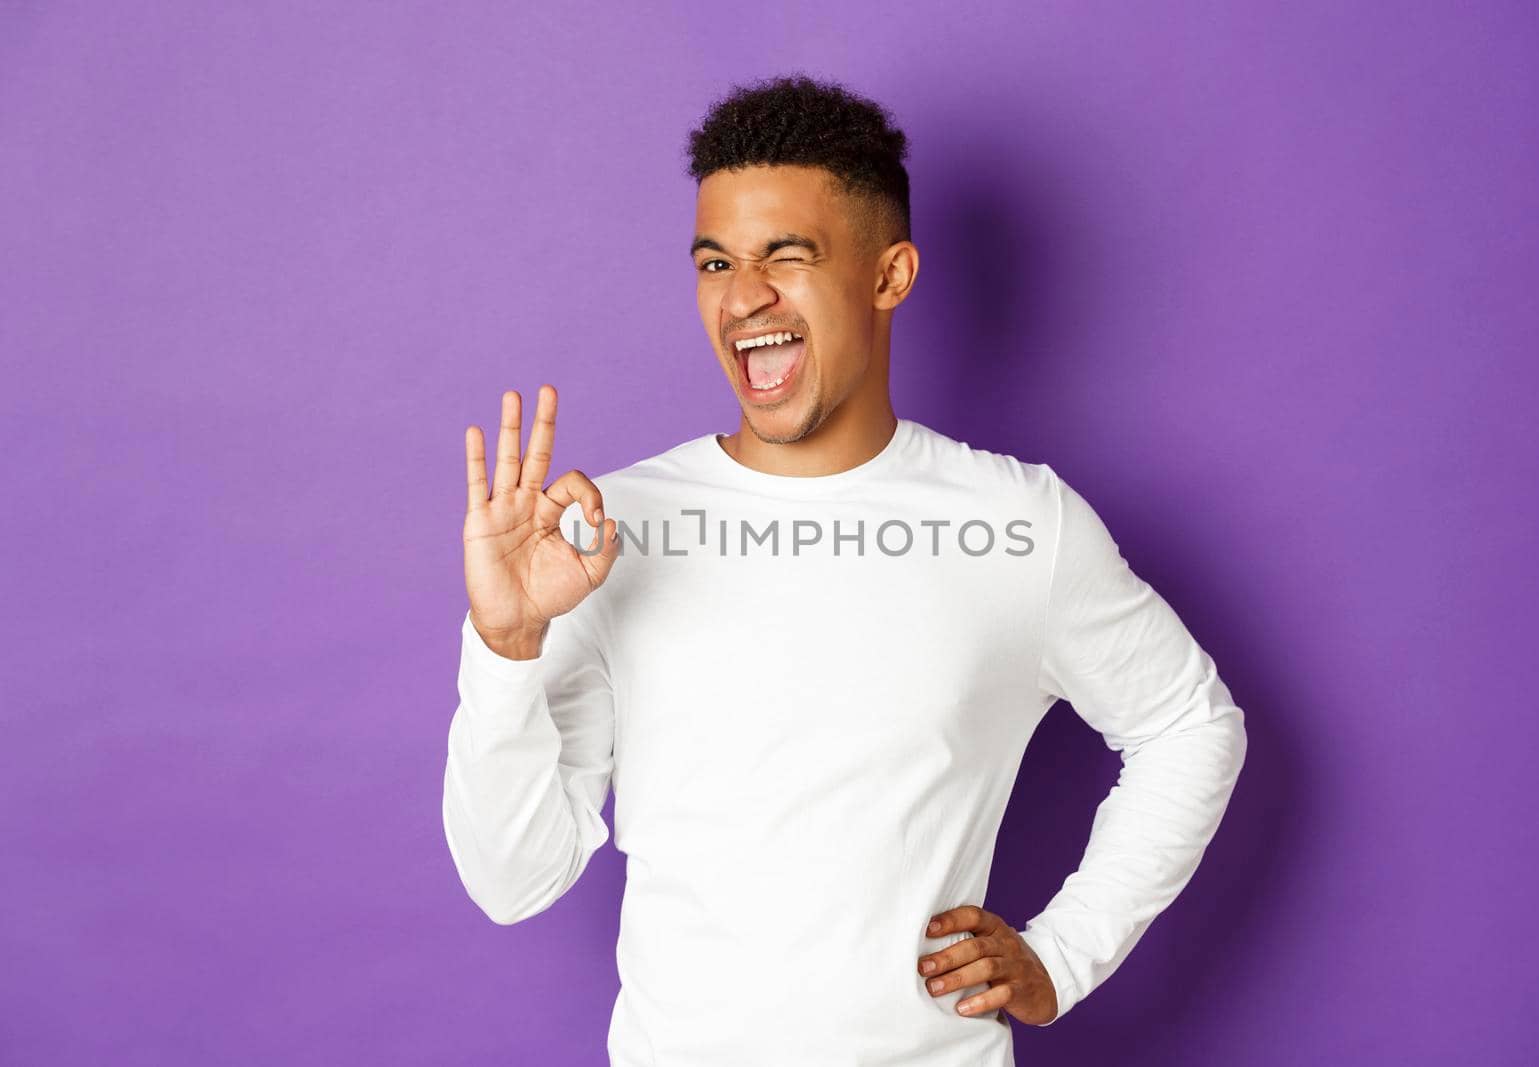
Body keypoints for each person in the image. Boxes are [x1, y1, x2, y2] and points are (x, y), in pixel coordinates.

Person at [442, 73, 1247, 1067]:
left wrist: (1063, 952)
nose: (743, 297)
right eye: (715, 261)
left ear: (889, 275)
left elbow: (1186, 725)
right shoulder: (613, 530)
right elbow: (511, 877)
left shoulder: (1017, 523)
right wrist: (506, 643)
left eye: (787, 254)